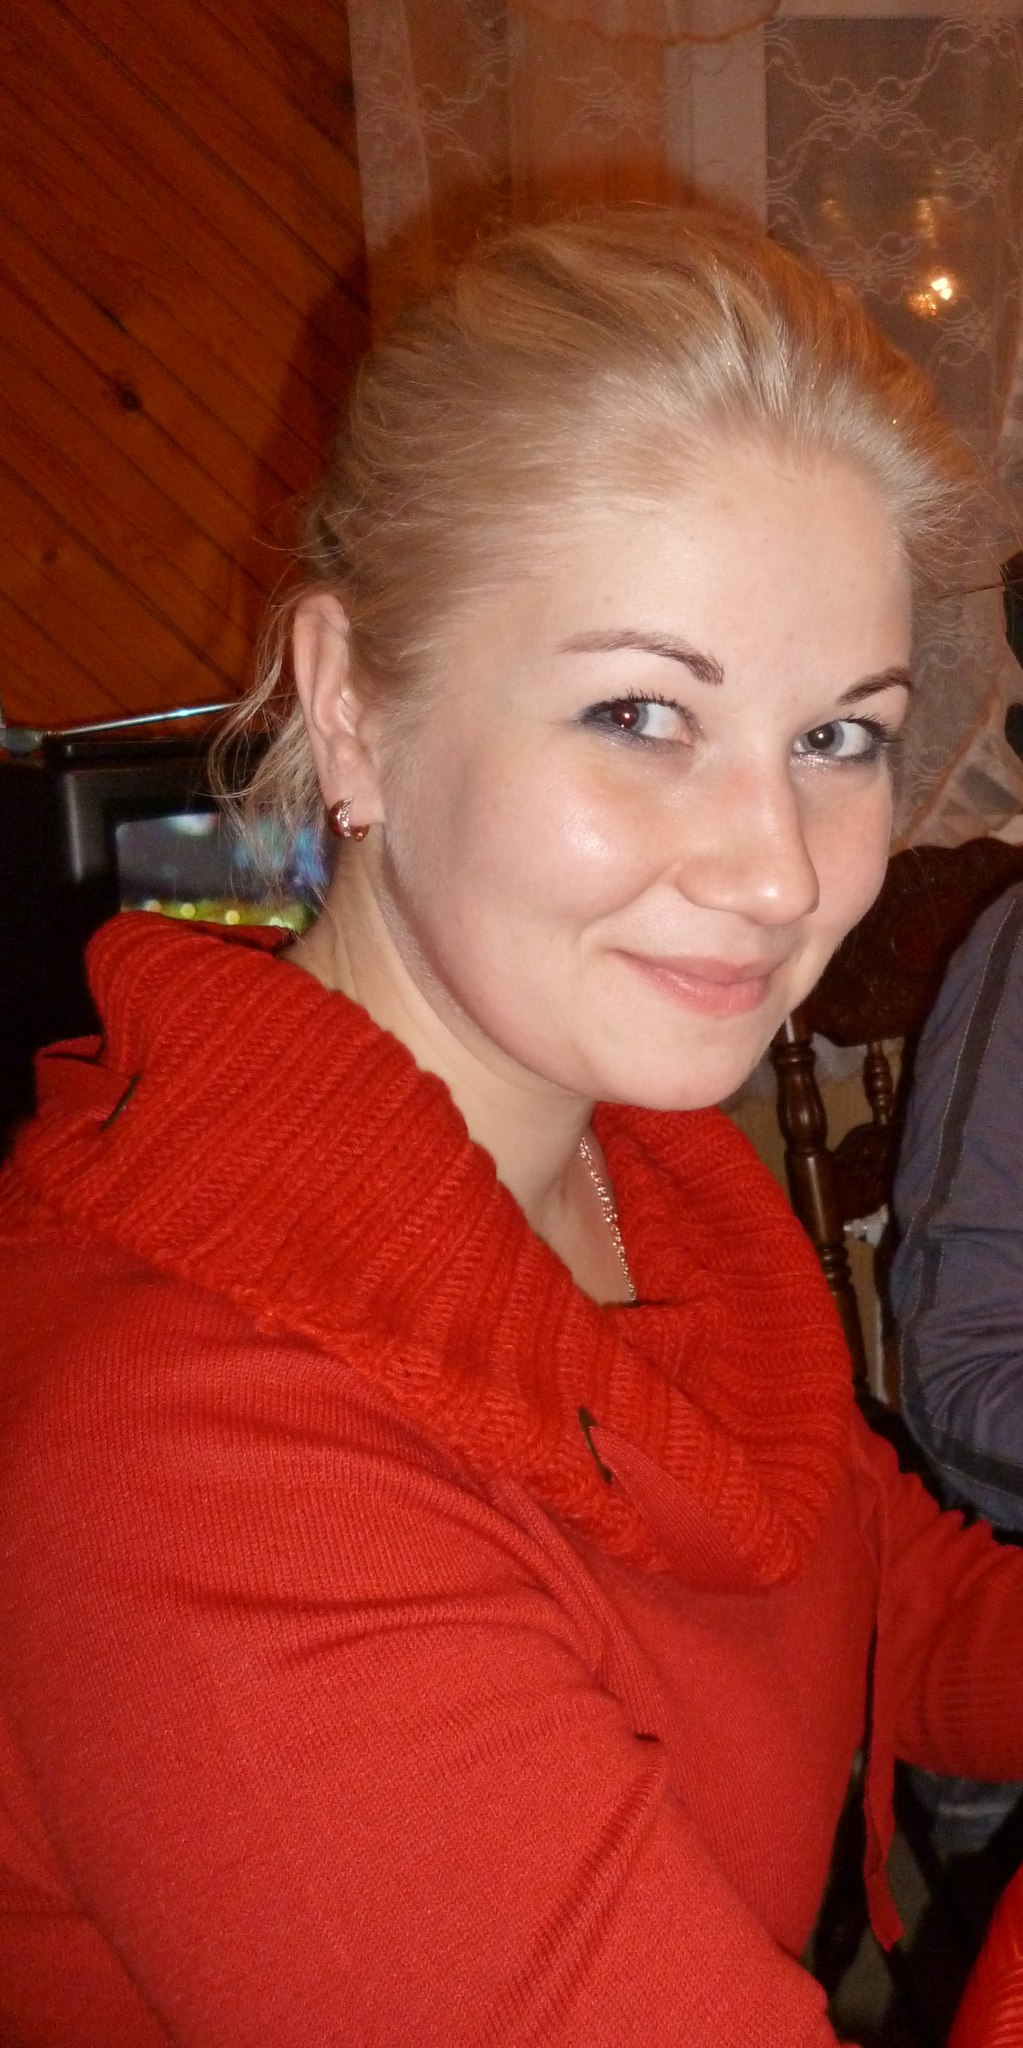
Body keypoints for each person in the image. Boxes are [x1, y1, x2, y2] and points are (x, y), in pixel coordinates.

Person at [3, 204, 1023, 2048]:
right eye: (640, 712)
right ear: (351, 708)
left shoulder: (649, 1179)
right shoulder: (194, 1459)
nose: (780, 872)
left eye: (839, 738)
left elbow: (872, 1583)